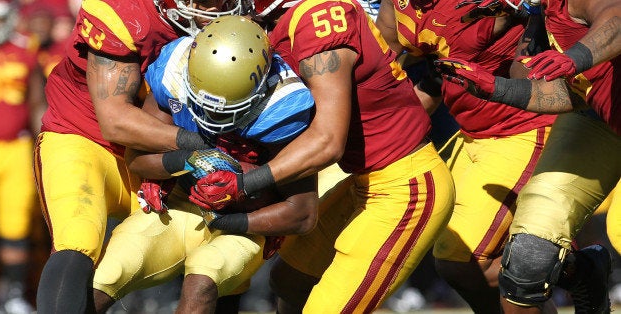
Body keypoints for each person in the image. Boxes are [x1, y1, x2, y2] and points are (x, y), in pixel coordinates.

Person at [188, 0, 457, 312]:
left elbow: (328, 141)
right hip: (365, 181)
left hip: (406, 186)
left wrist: (247, 183)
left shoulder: (316, 22)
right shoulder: (288, 23)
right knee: (290, 279)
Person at [31, 0, 252, 312]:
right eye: (207, 2)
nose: (219, 10)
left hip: (162, 162)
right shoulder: (125, 14)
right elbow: (116, 122)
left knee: (221, 250)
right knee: (78, 238)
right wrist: (198, 143)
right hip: (86, 140)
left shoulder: (246, 20)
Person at [90, 15, 318, 314]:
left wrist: (234, 209)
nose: (213, 118)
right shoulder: (173, 74)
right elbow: (138, 160)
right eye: (202, 104)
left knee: (202, 279)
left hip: (245, 227)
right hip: (179, 212)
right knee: (107, 274)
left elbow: (302, 213)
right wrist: (187, 158)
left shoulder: (283, 111)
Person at [433, 0, 620, 312]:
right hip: (597, 119)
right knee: (528, 256)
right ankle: (586, 273)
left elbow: (616, 20)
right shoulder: (540, 12)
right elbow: (570, 94)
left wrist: (573, 59)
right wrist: (496, 88)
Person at [374, 0, 557, 312]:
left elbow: (526, 54)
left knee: (468, 260)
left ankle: (578, 268)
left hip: (520, 128)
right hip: (470, 132)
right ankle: (572, 266)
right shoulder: (396, 7)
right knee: (453, 259)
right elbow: (415, 69)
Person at [0, 0, 46, 313]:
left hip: (15, 148)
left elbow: (38, 102)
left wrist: (44, 146)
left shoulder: (27, 49)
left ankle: (13, 295)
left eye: (0, 20)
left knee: (15, 224)